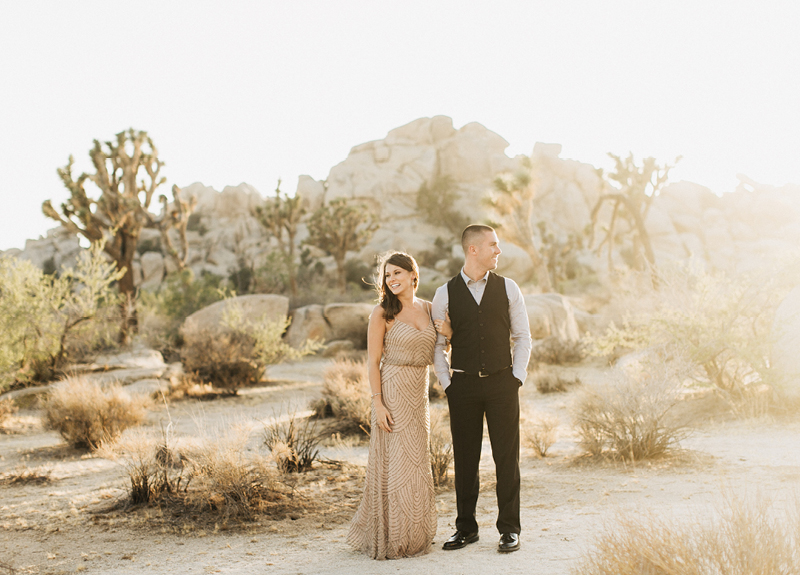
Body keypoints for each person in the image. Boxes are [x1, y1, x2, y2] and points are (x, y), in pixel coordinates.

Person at [432, 224, 532, 553]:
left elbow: (522, 336)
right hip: (463, 387)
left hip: (503, 383)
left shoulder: (508, 288)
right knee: (465, 459)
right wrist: (448, 383)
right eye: (493, 245)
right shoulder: (444, 293)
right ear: (473, 249)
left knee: (507, 458)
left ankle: (510, 529)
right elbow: (439, 343)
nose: (498, 251)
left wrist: (516, 376)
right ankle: (466, 528)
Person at [347, 252, 442, 559]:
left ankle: (415, 534)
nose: (392, 280)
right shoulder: (381, 313)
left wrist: (449, 331)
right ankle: (392, 536)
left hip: (419, 393)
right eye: (388, 276)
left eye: (398, 273)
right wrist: (378, 404)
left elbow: (445, 344)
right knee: (396, 464)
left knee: (416, 462)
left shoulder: (430, 308)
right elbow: (373, 363)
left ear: (414, 275)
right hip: (392, 390)